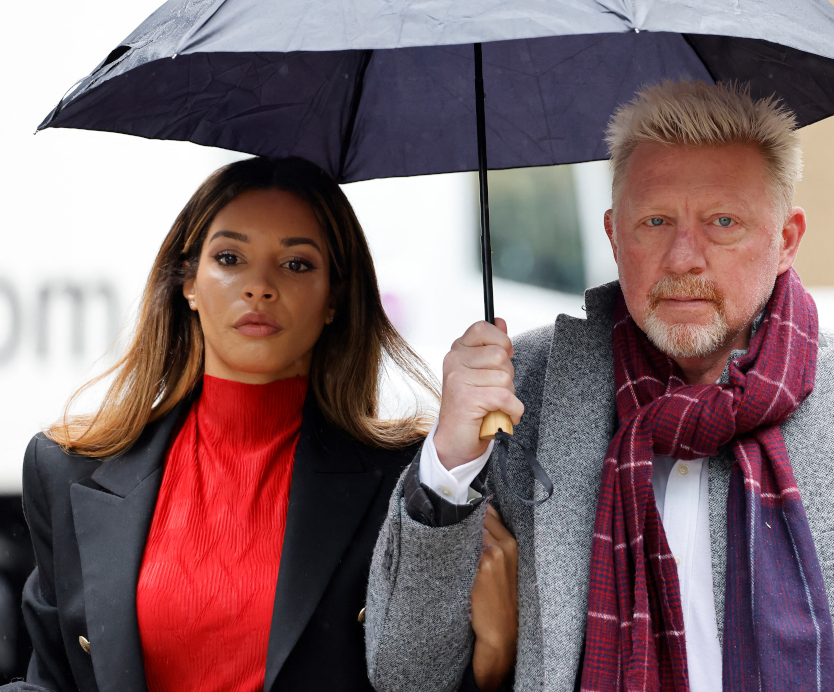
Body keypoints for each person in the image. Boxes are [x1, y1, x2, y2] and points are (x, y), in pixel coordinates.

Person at [365, 81, 834, 692]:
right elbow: (405, 673)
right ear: (615, 235)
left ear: (786, 240)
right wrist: (449, 465)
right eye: (656, 222)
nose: (683, 259)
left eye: (723, 221)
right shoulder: (518, 395)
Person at [5, 156, 514, 692]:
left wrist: (495, 660)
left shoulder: (411, 485)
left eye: (296, 264)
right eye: (230, 257)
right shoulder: (66, 468)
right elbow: (52, 679)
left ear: (334, 299)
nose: (260, 286)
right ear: (189, 284)